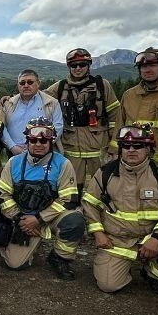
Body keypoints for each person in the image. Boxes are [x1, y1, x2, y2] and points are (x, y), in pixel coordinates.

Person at [82, 123, 158, 295]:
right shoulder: (105, 173)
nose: (131, 150)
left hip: (153, 238)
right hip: (118, 241)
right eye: (126, 146)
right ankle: (122, 265)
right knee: (108, 286)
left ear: (149, 149)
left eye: (138, 145)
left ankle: (154, 274)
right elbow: (89, 204)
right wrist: (98, 233)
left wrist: (157, 238)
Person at [0, 118, 83, 280]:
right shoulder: (13, 163)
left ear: (51, 142)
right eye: (34, 140)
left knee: (75, 221)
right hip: (23, 218)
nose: (39, 144)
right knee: (14, 265)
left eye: (44, 140)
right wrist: (19, 219)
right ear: (27, 141)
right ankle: (28, 244)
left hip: (49, 217)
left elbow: (69, 199)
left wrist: (39, 219)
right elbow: (3, 196)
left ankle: (59, 258)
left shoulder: (63, 164)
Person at [44, 49, 119, 202]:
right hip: (71, 146)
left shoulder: (102, 86)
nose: (78, 68)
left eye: (82, 65)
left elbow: (115, 117)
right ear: (69, 67)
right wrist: (10, 99)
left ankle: (104, 212)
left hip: (99, 145)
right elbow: (37, 97)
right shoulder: (59, 88)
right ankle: (76, 213)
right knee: (72, 187)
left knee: (104, 184)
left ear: (89, 65)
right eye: (74, 65)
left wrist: (115, 147)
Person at [3, 70, 64, 157]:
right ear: (18, 85)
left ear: (38, 83)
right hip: (14, 154)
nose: (26, 85)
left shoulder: (52, 103)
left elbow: (57, 127)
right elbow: (2, 127)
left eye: (30, 82)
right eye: (22, 83)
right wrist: (12, 147)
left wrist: (39, 146)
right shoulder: (9, 103)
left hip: (43, 153)